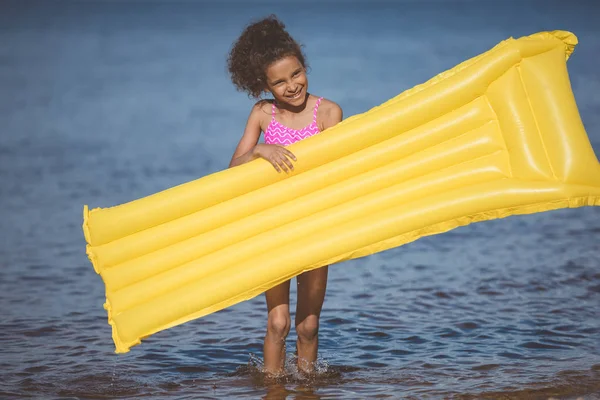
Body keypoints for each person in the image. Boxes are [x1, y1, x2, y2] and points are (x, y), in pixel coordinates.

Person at [227, 15, 343, 376]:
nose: (291, 86)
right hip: (273, 226)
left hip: (314, 225)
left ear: (304, 66)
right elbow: (233, 169)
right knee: (278, 324)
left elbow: (336, 171)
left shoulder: (328, 113)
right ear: (264, 84)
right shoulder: (263, 114)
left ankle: (308, 388)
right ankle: (273, 388)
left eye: (296, 74)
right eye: (279, 82)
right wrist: (261, 151)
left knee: (307, 326)